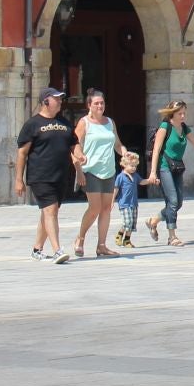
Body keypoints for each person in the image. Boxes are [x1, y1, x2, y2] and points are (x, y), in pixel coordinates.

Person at [144, 98, 194, 246]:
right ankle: (172, 236)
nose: (183, 116)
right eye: (180, 113)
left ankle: (153, 221)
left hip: (177, 167)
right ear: (172, 114)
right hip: (164, 167)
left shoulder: (184, 128)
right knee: (172, 201)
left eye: (184, 113)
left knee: (178, 202)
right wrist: (153, 172)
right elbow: (156, 151)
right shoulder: (165, 127)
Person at [16, 87, 76, 264]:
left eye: (60, 98)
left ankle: (37, 249)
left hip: (60, 175)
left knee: (50, 211)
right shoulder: (32, 124)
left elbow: (74, 143)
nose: (60, 101)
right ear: (46, 101)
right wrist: (19, 179)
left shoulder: (64, 122)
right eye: (56, 99)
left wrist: (79, 155)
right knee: (50, 210)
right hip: (40, 175)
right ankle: (58, 250)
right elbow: (22, 153)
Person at [72, 89, 127, 259]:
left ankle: (101, 246)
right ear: (89, 105)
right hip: (91, 170)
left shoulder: (110, 122)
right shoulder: (84, 123)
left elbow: (117, 144)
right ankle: (80, 238)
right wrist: (79, 165)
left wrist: (124, 152)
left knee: (106, 209)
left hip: (108, 171)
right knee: (94, 207)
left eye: (102, 103)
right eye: (96, 103)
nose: (99, 106)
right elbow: (75, 145)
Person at [113, 150, 142, 248]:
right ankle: (119, 235)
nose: (134, 168)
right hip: (124, 204)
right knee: (127, 222)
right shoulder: (120, 177)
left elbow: (141, 182)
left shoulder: (135, 176)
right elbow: (116, 189)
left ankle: (127, 240)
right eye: (131, 166)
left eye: (135, 166)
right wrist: (112, 200)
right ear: (124, 164)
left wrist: (151, 180)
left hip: (134, 203)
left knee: (132, 223)